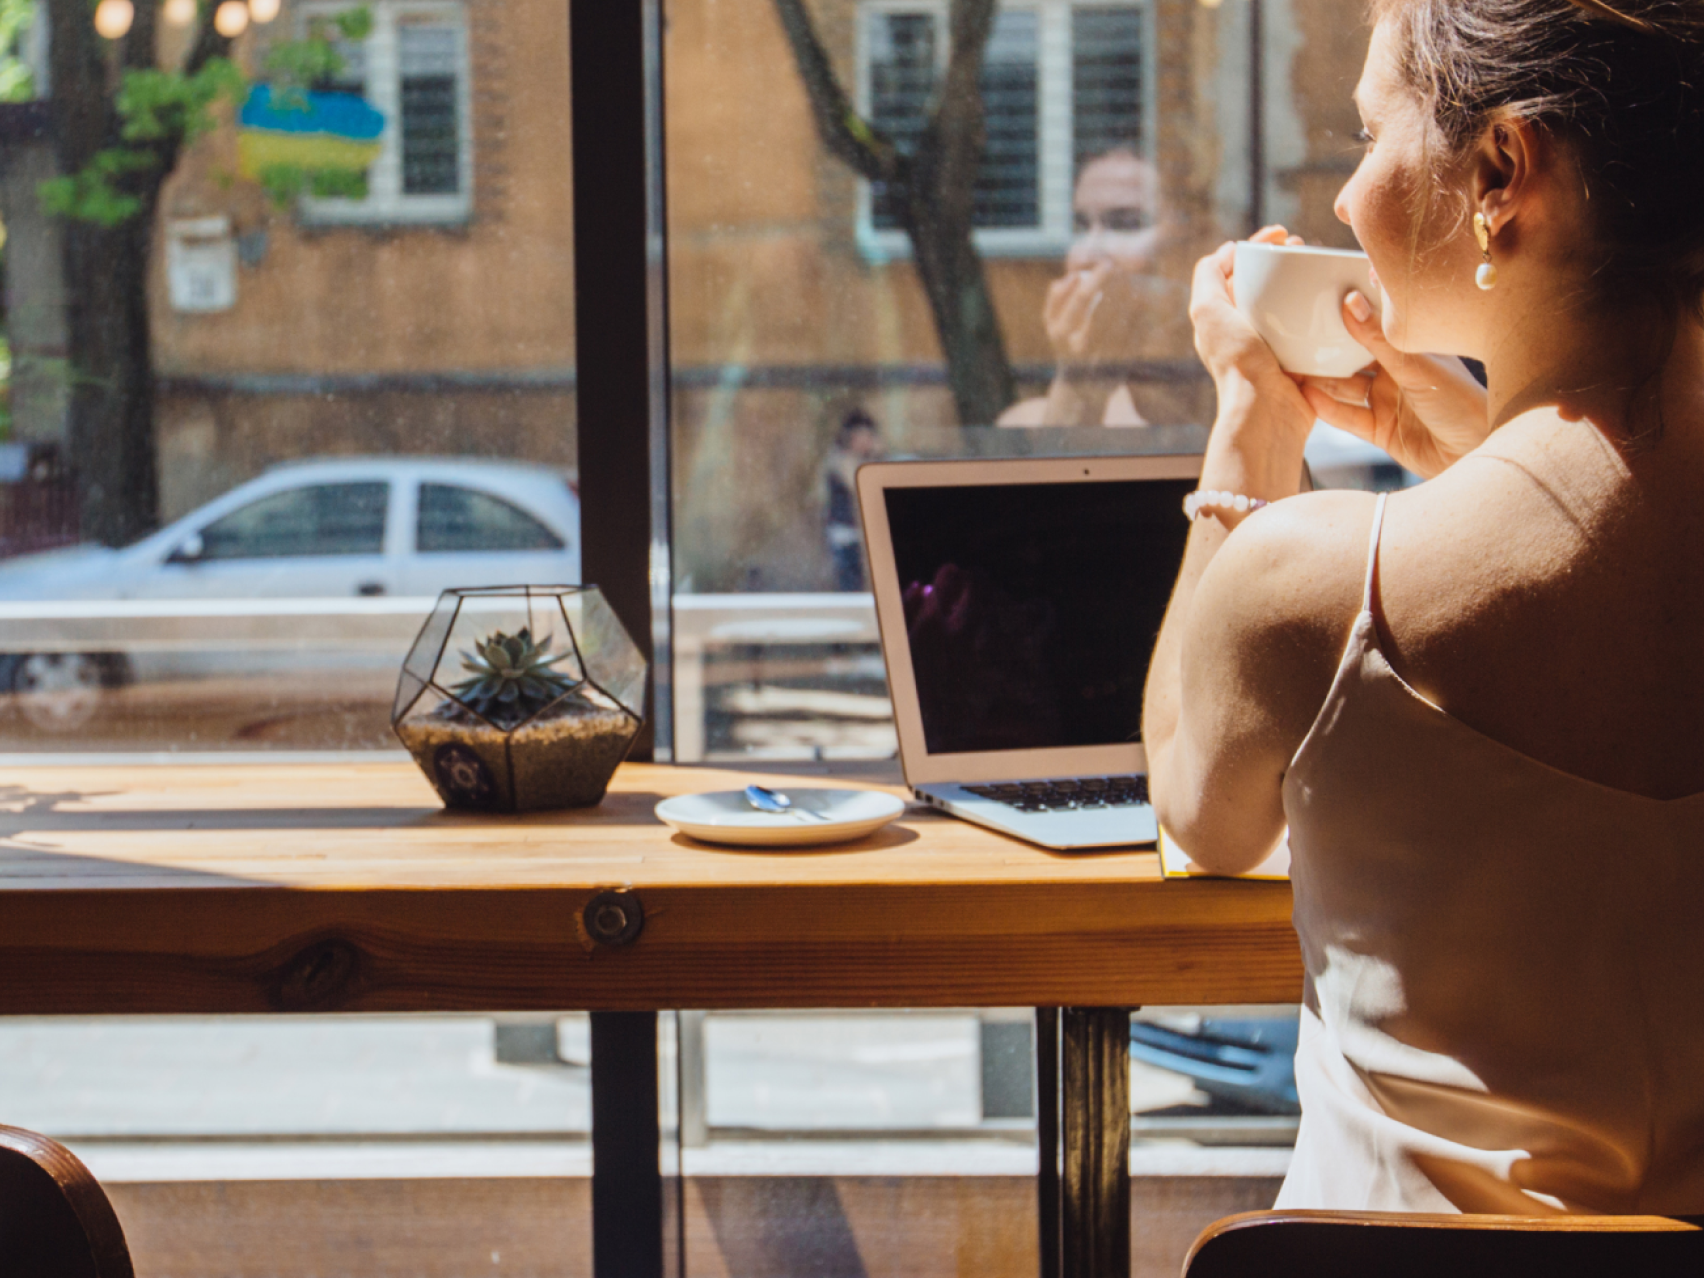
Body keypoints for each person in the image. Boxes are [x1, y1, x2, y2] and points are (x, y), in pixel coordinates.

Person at [1142, 0, 1704, 1215]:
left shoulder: (1313, 587)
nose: (1345, 198)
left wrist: (1252, 423)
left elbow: (1195, 812)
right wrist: (1466, 444)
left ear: (1501, 168)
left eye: (1365, 134)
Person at [997, 149, 1186, 427]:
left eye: (1125, 223)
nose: (1086, 254)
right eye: (1081, 226)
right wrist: (1076, 388)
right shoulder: (1025, 424)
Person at [822, 409, 882, 591]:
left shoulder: (867, 460)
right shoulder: (841, 460)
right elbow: (857, 486)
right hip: (845, 534)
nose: (866, 442)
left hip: (863, 535)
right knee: (850, 585)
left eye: (869, 436)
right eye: (861, 437)